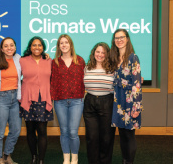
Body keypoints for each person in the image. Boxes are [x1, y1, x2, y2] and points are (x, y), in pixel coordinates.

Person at [51, 34, 85, 164]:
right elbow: (52, 82)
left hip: (77, 101)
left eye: (66, 42)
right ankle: (66, 158)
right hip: (60, 101)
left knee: (73, 132)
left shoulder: (80, 61)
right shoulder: (54, 62)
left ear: (71, 44)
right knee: (64, 131)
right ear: (58, 46)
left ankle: (74, 158)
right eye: (61, 43)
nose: (64, 45)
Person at [110, 29, 143, 164]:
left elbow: (136, 83)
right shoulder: (114, 58)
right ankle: (124, 160)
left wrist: (137, 106)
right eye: (116, 38)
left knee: (129, 135)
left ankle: (129, 162)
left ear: (127, 39)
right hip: (118, 100)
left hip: (130, 101)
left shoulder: (133, 57)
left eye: (122, 37)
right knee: (122, 134)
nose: (119, 40)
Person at [19, 36, 53, 164]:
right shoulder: (22, 60)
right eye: (34, 45)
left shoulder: (49, 61)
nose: (37, 47)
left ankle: (41, 160)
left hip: (43, 98)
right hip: (28, 98)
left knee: (42, 131)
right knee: (30, 130)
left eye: (39, 45)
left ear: (43, 47)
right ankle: (34, 156)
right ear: (30, 47)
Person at [83, 42, 116, 164]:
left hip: (107, 102)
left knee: (106, 138)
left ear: (107, 54)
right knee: (91, 137)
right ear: (93, 52)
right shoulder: (87, 67)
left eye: (103, 52)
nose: (100, 54)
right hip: (90, 103)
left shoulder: (113, 68)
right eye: (98, 52)